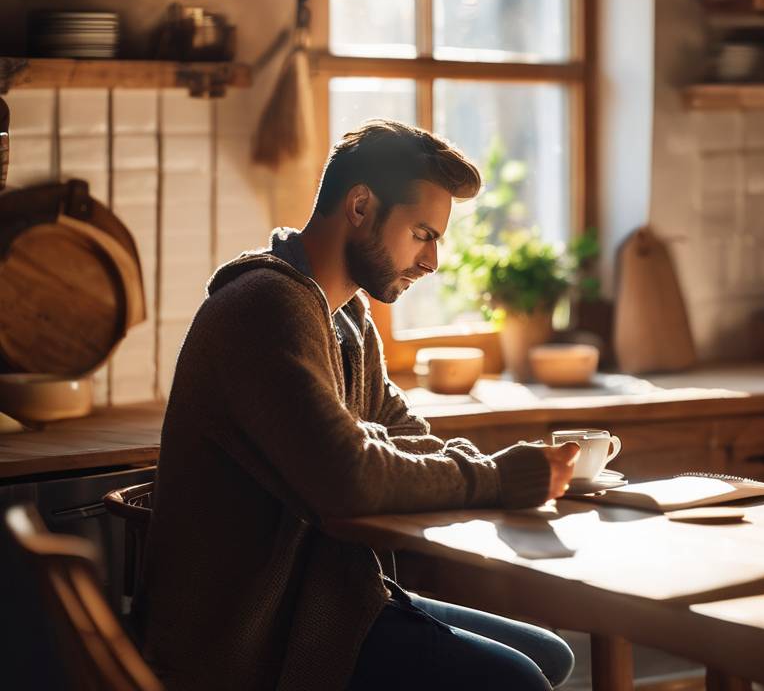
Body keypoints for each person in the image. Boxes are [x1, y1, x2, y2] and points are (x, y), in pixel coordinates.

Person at [133, 120, 580, 691]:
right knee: (517, 680)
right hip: (256, 644)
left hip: (332, 602)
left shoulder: (346, 319)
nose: (432, 261)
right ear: (362, 205)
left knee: (551, 656)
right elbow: (350, 477)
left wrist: (514, 472)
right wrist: (498, 477)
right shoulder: (264, 307)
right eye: (422, 233)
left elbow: (406, 437)